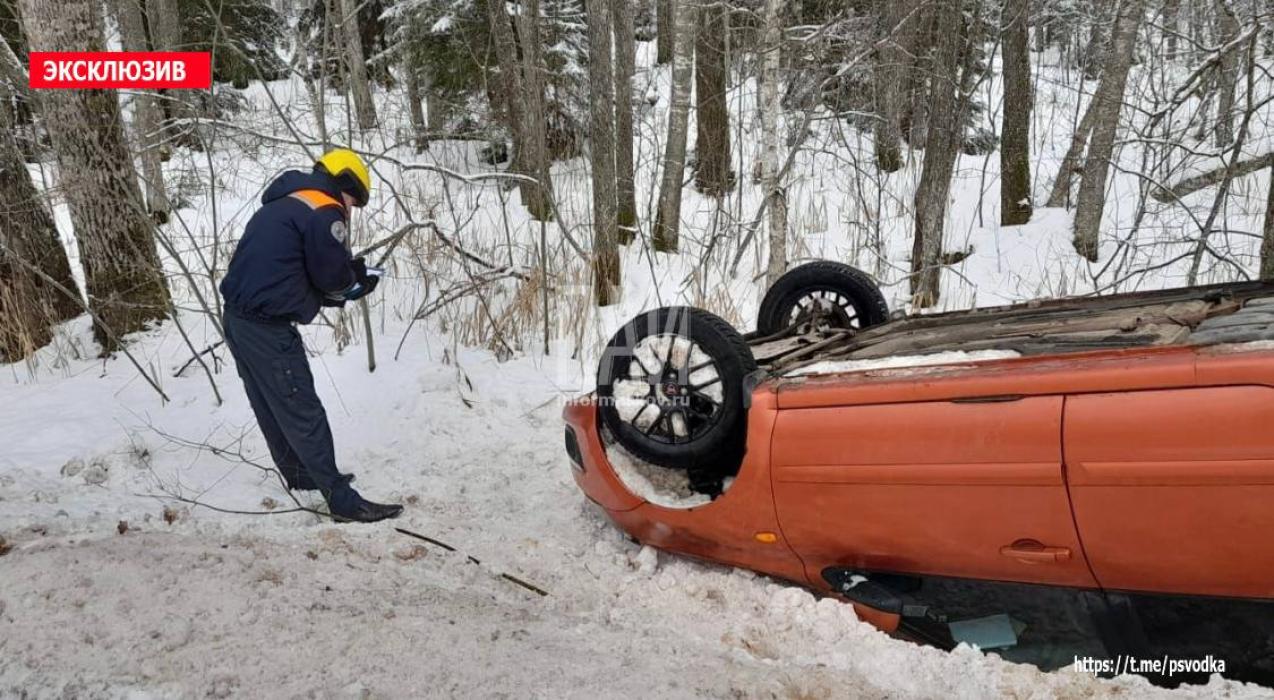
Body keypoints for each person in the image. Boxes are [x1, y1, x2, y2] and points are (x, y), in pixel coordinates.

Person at [219, 148, 403, 523]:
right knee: (302, 407)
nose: (350, 210)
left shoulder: (287, 202)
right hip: (267, 327)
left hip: (238, 320)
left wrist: (343, 280)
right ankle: (341, 500)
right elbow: (331, 278)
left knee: (270, 403)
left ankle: (302, 475)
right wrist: (355, 283)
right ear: (346, 183)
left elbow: (289, 268)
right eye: (354, 201)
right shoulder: (324, 209)